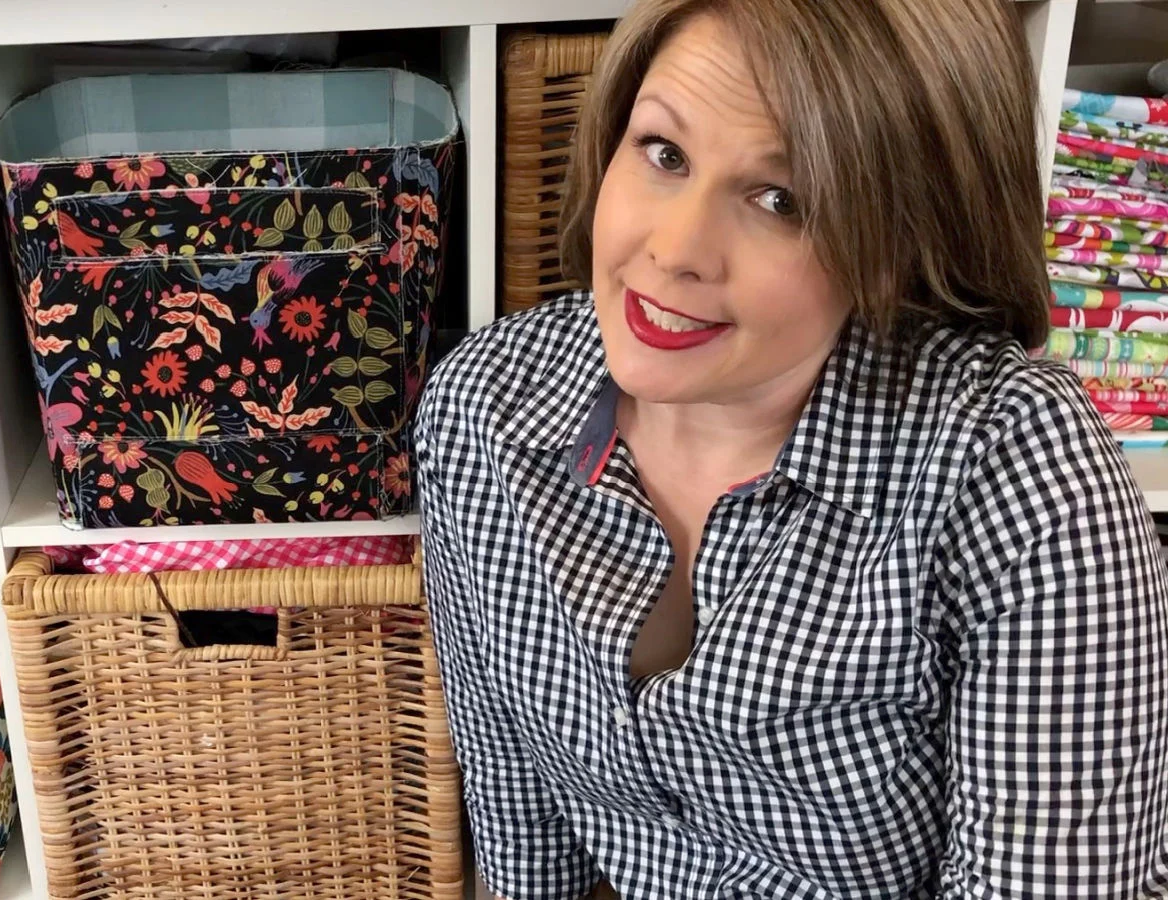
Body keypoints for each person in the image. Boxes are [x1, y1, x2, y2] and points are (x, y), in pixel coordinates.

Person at [411, 0, 1168, 897]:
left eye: (783, 200)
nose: (676, 248)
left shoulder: (1017, 467)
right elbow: (521, 828)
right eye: (664, 153)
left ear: (899, 246)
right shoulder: (485, 413)